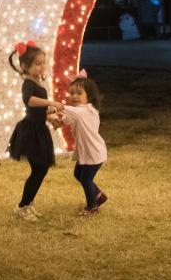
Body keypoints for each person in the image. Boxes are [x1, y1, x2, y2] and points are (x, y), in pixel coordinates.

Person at [7, 40, 64, 221]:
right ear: (24, 66)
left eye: (43, 63)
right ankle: (22, 206)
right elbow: (29, 101)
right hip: (30, 133)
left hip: (39, 130)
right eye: (37, 64)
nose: (41, 68)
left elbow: (38, 110)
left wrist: (52, 117)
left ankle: (28, 203)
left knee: (41, 169)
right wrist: (50, 103)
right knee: (38, 169)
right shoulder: (28, 84)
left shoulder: (37, 82)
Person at [53, 70, 108, 215]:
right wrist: (56, 122)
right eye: (71, 93)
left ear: (89, 96)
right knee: (78, 174)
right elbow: (66, 120)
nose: (74, 97)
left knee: (86, 178)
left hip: (93, 152)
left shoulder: (87, 111)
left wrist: (49, 107)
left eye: (79, 93)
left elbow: (64, 110)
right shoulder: (79, 112)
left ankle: (92, 208)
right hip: (89, 152)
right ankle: (98, 196)